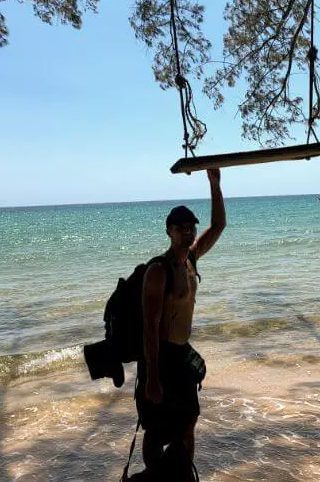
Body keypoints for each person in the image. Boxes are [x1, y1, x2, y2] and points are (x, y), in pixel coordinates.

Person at [136, 168, 225, 476]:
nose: (188, 232)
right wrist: (152, 378)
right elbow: (149, 327)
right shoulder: (158, 272)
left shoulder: (192, 259)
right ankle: (155, 477)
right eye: (182, 228)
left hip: (182, 352)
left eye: (191, 227)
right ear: (169, 231)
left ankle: (183, 475)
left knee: (188, 422)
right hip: (160, 358)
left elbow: (219, 225)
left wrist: (215, 184)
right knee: (156, 430)